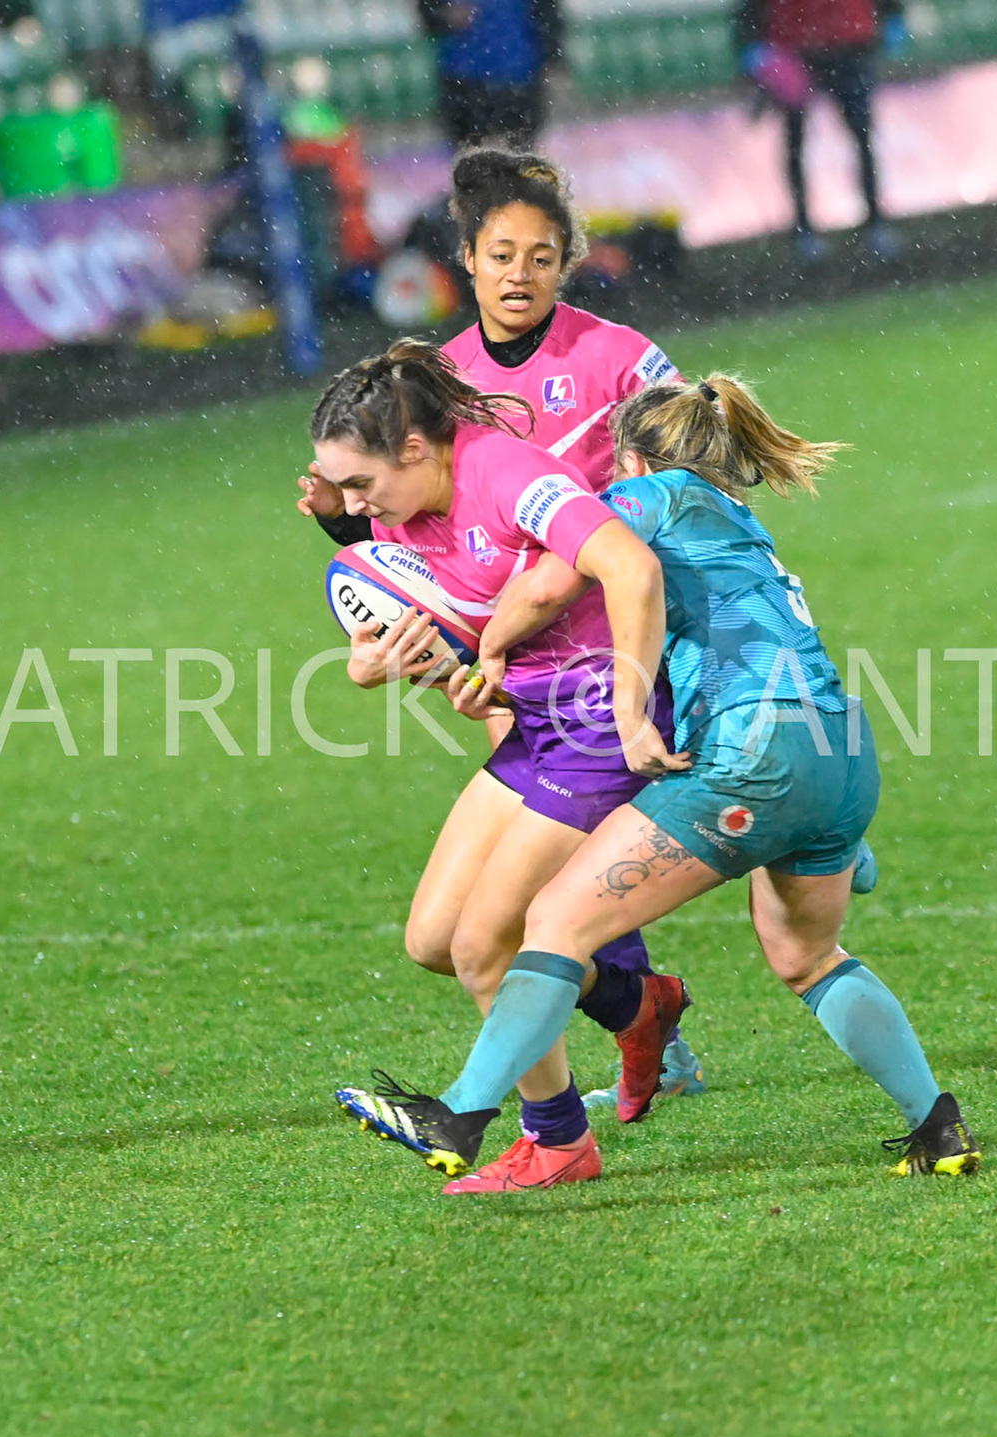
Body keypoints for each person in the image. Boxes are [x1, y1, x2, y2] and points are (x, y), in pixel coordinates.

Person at [359, 373, 975, 1192]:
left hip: (753, 754)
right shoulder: (742, 523)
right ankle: (938, 1124)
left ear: (634, 461)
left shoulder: (649, 496)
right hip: (841, 752)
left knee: (554, 922)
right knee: (807, 956)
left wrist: (487, 650)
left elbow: (548, 583)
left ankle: (461, 1113)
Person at [300, 147, 709, 1121]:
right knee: (500, 904)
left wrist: (616, 517)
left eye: (540, 256)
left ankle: (573, 1107)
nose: (519, 274)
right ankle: (637, 1012)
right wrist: (350, 544)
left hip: (610, 640)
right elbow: (418, 544)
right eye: (499, 255)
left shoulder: (618, 358)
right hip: (513, 655)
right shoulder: (434, 385)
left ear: (567, 262)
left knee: (533, 894)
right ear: (468, 260)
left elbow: (690, 473)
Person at [735, 0, 905, 263]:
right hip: (798, 49)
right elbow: (749, 10)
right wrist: (752, 46)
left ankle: (874, 223)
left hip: (846, 45)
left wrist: (892, 16)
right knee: (800, 142)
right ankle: (806, 229)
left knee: (859, 138)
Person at [414, 0, 561, 151]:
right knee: (471, 154)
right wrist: (445, 16)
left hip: (519, 80)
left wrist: (553, 61)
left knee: (518, 152)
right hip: (465, 83)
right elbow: (428, 14)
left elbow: (548, 18)